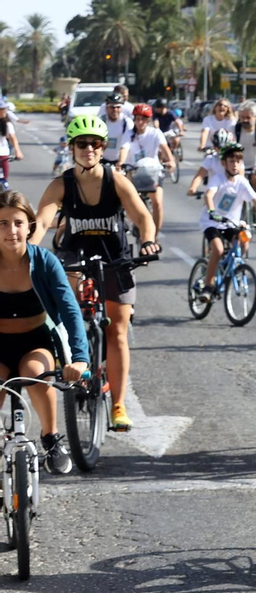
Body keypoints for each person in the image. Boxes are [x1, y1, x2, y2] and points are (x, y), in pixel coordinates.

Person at [31, 114, 162, 434]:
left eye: (96, 144)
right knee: (63, 313)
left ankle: (118, 404)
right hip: (73, 256)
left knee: (117, 329)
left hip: (113, 258)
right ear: (71, 147)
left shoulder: (115, 180)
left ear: (103, 148)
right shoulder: (61, 184)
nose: (89, 149)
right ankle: (68, 358)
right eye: (82, 144)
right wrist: (27, 251)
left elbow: (143, 217)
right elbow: (43, 222)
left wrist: (147, 242)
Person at [0, 190, 90, 475]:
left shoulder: (45, 262)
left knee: (36, 373)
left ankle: (50, 439)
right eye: (2, 223)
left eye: (17, 222)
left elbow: (70, 310)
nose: (11, 231)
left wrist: (80, 359)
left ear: (29, 226)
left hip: (35, 343)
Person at [197, 140, 256, 304]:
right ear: (224, 163)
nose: (235, 165)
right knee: (217, 249)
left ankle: (233, 267)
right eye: (231, 161)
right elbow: (209, 195)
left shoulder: (242, 182)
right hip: (212, 223)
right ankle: (208, 287)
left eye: (238, 161)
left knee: (244, 242)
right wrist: (211, 211)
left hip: (231, 223)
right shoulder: (218, 178)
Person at [125, 104, 175, 235]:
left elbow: (165, 149)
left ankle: (154, 236)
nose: (140, 122)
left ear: (148, 120)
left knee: (157, 202)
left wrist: (171, 161)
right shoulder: (128, 134)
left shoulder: (155, 133)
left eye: (143, 119)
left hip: (153, 172)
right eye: (137, 119)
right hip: (134, 172)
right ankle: (132, 222)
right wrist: (120, 164)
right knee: (127, 200)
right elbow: (123, 149)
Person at [232, 100, 256, 198]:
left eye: (248, 117)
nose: (245, 120)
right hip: (237, 165)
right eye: (242, 117)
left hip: (255, 166)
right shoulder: (234, 129)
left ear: (255, 117)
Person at [99, 95, 134, 168]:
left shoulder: (127, 122)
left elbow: (125, 145)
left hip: (120, 160)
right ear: (106, 108)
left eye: (118, 107)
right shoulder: (100, 121)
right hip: (102, 160)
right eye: (112, 107)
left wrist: (120, 163)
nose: (115, 110)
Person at [0, 102, 22, 185]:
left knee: (5, 181)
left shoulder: (7, 124)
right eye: (2, 109)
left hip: (3, 153)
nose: (5, 110)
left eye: (5, 108)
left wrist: (17, 151)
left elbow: (13, 138)